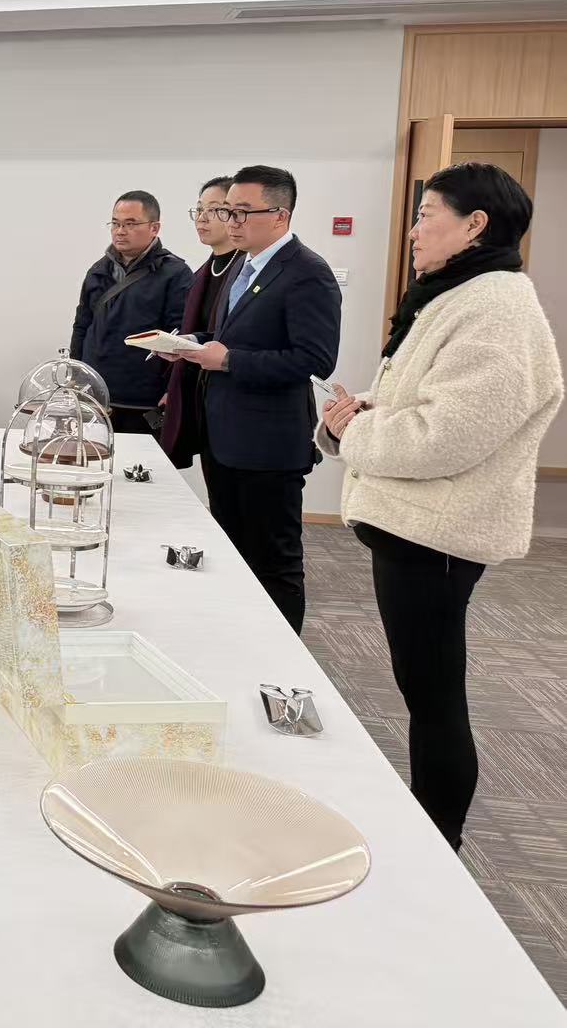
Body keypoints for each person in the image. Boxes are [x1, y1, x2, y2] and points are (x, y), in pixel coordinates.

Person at [319, 163, 562, 850]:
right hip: (416, 526)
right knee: (423, 687)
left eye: (426, 215)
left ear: (474, 224)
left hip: (440, 533)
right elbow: (429, 402)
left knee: (433, 695)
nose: (414, 230)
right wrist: (363, 411)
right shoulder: (463, 294)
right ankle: (430, 829)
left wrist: (353, 432)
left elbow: (445, 437)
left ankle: (437, 842)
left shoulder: (497, 308)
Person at [165, 165, 341, 634]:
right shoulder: (242, 266)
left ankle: (282, 655)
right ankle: (238, 641)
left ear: (280, 215)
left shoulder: (307, 272)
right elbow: (232, 336)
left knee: (273, 561)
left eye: (243, 212)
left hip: (268, 446)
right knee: (232, 551)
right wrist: (189, 345)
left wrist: (228, 361)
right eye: (228, 211)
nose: (231, 221)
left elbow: (315, 359)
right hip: (224, 437)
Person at [69, 191, 192, 434]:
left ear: (154, 228)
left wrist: (173, 389)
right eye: (115, 223)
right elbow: (82, 326)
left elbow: (181, 336)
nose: (120, 231)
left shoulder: (175, 273)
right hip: (96, 395)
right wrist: (76, 375)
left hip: (144, 399)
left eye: (130, 224)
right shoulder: (98, 270)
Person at [160, 176, 238, 468]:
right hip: (203, 400)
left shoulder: (247, 271)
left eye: (214, 209)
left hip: (234, 400)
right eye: (199, 209)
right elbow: (202, 332)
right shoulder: (202, 273)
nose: (202, 218)